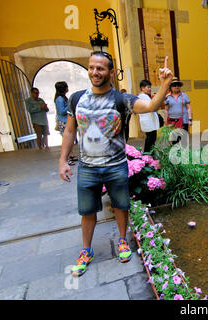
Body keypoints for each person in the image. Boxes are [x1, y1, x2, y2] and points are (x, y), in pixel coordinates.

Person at [59, 51, 173, 277]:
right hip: (88, 167)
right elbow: (70, 130)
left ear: (111, 72)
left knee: (121, 205)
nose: (95, 72)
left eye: (100, 68)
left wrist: (165, 84)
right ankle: (86, 250)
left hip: (115, 165)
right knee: (87, 211)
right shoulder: (76, 98)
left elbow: (150, 107)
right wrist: (62, 160)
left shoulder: (121, 99)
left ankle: (122, 241)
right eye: (92, 67)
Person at [138, 80, 164, 153]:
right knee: (150, 140)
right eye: (148, 87)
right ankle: (148, 155)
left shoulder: (141, 96)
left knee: (150, 139)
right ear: (142, 88)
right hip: (149, 122)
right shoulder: (143, 97)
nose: (150, 89)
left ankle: (149, 155)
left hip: (148, 121)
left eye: (150, 87)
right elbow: (153, 107)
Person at [54, 81, 77, 165]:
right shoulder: (60, 99)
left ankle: (71, 155)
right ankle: (67, 159)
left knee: (70, 140)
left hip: (66, 121)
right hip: (64, 121)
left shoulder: (63, 98)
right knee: (67, 140)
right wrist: (70, 105)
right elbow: (61, 111)